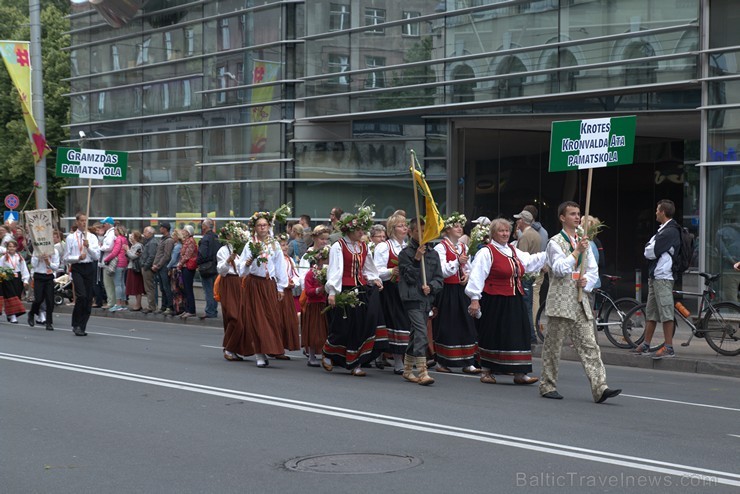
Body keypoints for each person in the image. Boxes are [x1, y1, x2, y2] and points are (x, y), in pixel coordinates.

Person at [538, 201, 621, 403]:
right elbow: (558, 269)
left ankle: (600, 387)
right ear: (562, 218)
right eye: (572, 214)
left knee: (590, 345)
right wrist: (576, 252)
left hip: (580, 300)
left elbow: (593, 269)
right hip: (561, 302)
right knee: (553, 346)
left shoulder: (583, 240)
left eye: (578, 214)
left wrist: (588, 282)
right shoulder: (555, 242)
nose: (577, 217)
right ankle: (547, 385)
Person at [465, 218, 546, 386]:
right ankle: (487, 370)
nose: (505, 234)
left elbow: (530, 262)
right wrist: (474, 299)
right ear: (493, 233)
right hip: (494, 299)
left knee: (519, 333)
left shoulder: (513, 250)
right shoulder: (486, 252)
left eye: (507, 231)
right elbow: (477, 276)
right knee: (493, 333)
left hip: (514, 298)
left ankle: (520, 372)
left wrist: (550, 252)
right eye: (501, 231)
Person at [322, 206, 387, 376]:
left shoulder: (363, 246)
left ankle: (355, 363)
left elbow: (368, 268)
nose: (361, 232)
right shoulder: (339, 246)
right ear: (349, 229)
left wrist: (375, 279)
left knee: (360, 326)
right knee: (342, 326)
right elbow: (335, 270)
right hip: (344, 289)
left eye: (363, 229)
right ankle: (328, 352)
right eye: (358, 229)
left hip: (361, 290)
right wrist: (332, 292)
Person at [633, 199, 682, 359]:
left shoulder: (670, 231)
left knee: (666, 311)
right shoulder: (663, 230)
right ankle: (646, 345)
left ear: (662, 212)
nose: (655, 212)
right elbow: (649, 248)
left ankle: (669, 347)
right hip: (656, 276)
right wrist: (651, 246)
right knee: (651, 312)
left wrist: (651, 247)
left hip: (664, 277)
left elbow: (650, 252)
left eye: (657, 210)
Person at [398, 218, 444, 385]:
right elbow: (408, 277)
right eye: (418, 231)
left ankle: (408, 369)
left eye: (425, 231)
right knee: (421, 333)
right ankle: (422, 371)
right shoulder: (405, 254)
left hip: (426, 299)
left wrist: (431, 287)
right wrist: (416, 259)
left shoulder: (433, 253)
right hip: (412, 299)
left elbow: (439, 278)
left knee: (415, 334)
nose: (422, 234)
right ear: (411, 232)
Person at [239, 211, 289, 368]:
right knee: (257, 318)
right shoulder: (250, 245)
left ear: (269, 227)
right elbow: (242, 271)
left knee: (271, 317)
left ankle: (270, 347)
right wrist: (247, 263)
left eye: (265, 225)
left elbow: (280, 266)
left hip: (269, 285)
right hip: (254, 284)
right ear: (255, 228)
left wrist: (281, 287)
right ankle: (259, 353)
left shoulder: (274, 244)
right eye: (259, 225)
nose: (262, 228)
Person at [433, 212, 480, 373]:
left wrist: (467, 275)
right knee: (448, 325)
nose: (459, 228)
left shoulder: (463, 247)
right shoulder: (440, 247)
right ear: (447, 230)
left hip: (461, 290)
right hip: (447, 291)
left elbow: (469, 267)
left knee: (466, 323)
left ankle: (468, 361)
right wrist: (456, 262)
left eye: (461, 226)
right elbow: (442, 271)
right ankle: (442, 361)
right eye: (456, 226)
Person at [373, 213, 411, 374]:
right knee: (393, 323)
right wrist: (391, 271)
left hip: (405, 290)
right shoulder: (384, 247)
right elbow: (376, 271)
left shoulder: (408, 247)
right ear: (392, 229)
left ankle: (395, 358)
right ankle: (395, 360)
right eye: (401, 226)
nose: (405, 228)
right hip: (389, 290)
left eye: (405, 225)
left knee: (403, 323)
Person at [65, 213, 101, 336]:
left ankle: (82, 325)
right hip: (77, 267)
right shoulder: (71, 238)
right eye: (81, 220)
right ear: (77, 222)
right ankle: (76, 323)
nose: (84, 223)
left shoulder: (92, 237)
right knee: (81, 296)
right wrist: (77, 257)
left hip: (89, 267)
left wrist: (88, 247)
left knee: (88, 298)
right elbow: (66, 258)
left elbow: (97, 256)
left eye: (86, 220)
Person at [218, 222, 249, 361]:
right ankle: (229, 348)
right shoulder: (223, 251)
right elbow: (221, 271)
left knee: (242, 317)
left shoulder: (242, 250)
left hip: (240, 283)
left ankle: (233, 348)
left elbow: (244, 270)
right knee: (233, 316)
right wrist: (227, 261)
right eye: (233, 234)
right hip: (229, 282)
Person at [514, 209, 543, 344]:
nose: (517, 222)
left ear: (522, 221)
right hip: (533, 273)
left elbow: (521, 257)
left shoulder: (525, 236)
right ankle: (530, 334)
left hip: (526, 275)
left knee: (526, 306)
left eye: (518, 219)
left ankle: (530, 335)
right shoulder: (536, 234)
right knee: (529, 304)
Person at [524, 204, 550, 330]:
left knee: (531, 297)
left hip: (529, 268)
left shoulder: (526, 232)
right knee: (536, 296)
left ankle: (531, 325)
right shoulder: (544, 232)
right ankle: (536, 323)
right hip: (541, 267)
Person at [302, 248, 329, 367]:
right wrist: (319, 289)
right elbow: (308, 291)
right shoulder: (311, 273)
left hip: (325, 304)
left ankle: (326, 355)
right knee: (313, 330)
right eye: (324, 259)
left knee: (325, 331)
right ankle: (311, 355)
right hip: (314, 305)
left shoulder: (328, 272)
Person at [277, 234, 301, 356]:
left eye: (286, 244)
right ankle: (277, 348)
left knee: (289, 321)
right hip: (278, 293)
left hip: (288, 293)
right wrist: (284, 283)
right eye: (282, 245)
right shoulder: (276, 259)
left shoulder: (289, 259)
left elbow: (296, 274)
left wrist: (293, 282)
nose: (285, 247)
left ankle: (282, 347)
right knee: (279, 321)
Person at [28, 246, 60, 330]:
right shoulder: (36, 250)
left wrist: (48, 262)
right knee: (38, 299)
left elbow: (56, 266)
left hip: (49, 276)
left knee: (50, 300)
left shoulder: (55, 251)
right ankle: (31, 313)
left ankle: (49, 322)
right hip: (39, 276)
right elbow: (33, 264)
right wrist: (39, 257)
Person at [0, 240, 30, 323]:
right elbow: (0, 268)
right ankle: (13, 316)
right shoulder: (4, 258)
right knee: (11, 296)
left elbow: (24, 269)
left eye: (13, 246)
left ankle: (10, 314)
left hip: (17, 279)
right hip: (7, 278)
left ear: (16, 248)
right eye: (10, 246)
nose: (11, 248)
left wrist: (25, 280)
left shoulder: (19, 258)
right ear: (7, 248)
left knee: (16, 295)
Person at [197, 219, 219, 320]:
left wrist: (198, 262)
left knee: (208, 291)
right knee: (214, 291)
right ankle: (213, 310)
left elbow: (202, 254)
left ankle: (210, 311)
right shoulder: (217, 237)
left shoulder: (205, 238)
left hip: (206, 268)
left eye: (202, 225)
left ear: (205, 227)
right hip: (216, 267)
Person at [103, 224, 129, 312]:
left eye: (115, 230)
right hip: (124, 262)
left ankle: (118, 304)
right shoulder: (125, 239)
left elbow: (114, 252)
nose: (114, 232)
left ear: (118, 231)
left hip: (118, 263)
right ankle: (123, 303)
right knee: (122, 284)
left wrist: (106, 259)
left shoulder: (118, 239)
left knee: (117, 284)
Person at [716, 209, 740, 303]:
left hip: (729, 270)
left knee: (732, 300)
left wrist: (733, 262)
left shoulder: (721, 232)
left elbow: (723, 251)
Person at [151, 222, 175, 315]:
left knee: (166, 287)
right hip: (159, 267)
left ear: (165, 229)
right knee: (162, 287)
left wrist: (158, 265)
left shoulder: (169, 240)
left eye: (161, 227)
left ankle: (170, 306)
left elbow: (166, 255)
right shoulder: (162, 239)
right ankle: (163, 306)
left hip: (164, 267)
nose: (160, 229)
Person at [178, 225, 198, 318]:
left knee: (188, 288)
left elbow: (187, 255)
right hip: (184, 267)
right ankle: (187, 309)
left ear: (188, 232)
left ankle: (191, 310)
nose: (183, 232)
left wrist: (180, 264)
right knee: (185, 288)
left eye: (184, 230)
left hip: (188, 267)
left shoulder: (190, 241)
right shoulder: (186, 241)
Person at [140, 226, 159, 313]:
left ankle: (151, 306)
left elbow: (151, 256)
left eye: (145, 232)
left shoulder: (152, 243)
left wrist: (145, 266)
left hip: (148, 268)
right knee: (149, 287)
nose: (143, 234)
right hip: (146, 266)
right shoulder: (149, 242)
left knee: (149, 287)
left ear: (150, 233)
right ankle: (151, 305)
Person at [99, 216, 116, 308]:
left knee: (108, 283)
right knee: (109, 283)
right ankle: (112, 301)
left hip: (108, 260)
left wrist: (100, 247)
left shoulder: (111, 233)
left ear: (109, 224)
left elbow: (109, 246)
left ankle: (111, 302)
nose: (103, 225)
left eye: (104, 223)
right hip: (107, 260)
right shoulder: (109, 233)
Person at [125, 230, 145, 311]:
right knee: (134, 286)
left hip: (135, 268)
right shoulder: (133, 246)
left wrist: (127, 250)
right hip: (131, 267)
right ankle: (137, 303)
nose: (130, 237)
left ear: (136, 237)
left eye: (132, 236)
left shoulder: (138, 246)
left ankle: (138, 304)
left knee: (137, 287)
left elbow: (133, 256)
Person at [168, 229, 184, 315]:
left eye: (173, 236)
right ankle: (180, 307)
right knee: (179, 289)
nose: (172, 238)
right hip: (178, 269)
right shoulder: (181, 245)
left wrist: (168, 267)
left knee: (175, 289)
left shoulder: (177, 247)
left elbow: (173, 259)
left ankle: (177, 308)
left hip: (174, 269)